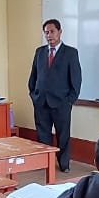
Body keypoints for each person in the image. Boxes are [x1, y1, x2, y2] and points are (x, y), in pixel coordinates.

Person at [28, 19, 81, 172]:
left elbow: (76, 79)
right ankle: (45, 163)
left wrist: (70, 101)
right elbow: (33, 76)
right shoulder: (40, 52)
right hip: (41, 102)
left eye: (52, 31)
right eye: (46, 32)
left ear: (59, 32)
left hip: (61, 103)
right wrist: (33, 94)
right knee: (42, 135)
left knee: (63, 135)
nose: (49, 35)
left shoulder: (70, 53)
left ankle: (64, 165)